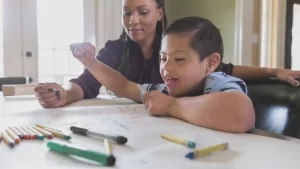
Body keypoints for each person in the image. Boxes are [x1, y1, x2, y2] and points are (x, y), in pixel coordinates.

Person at [34, 0, 300, 108]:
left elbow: (226, 71)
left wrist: (274, 71)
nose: (133, 20)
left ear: (159, 13)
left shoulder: (210, 77)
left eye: (143, 11)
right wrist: (67, 91)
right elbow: (92, 82)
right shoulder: (115, 51)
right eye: (127, 12)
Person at [70, 16, 255, 133]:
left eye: (179, 59)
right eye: (163, 58)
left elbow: (242, 113)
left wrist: (172, 106)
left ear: (211, 63)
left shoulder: (217, 82)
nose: (166, 68)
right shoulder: (166, 90)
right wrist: (91, 63)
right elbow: (124, 86)